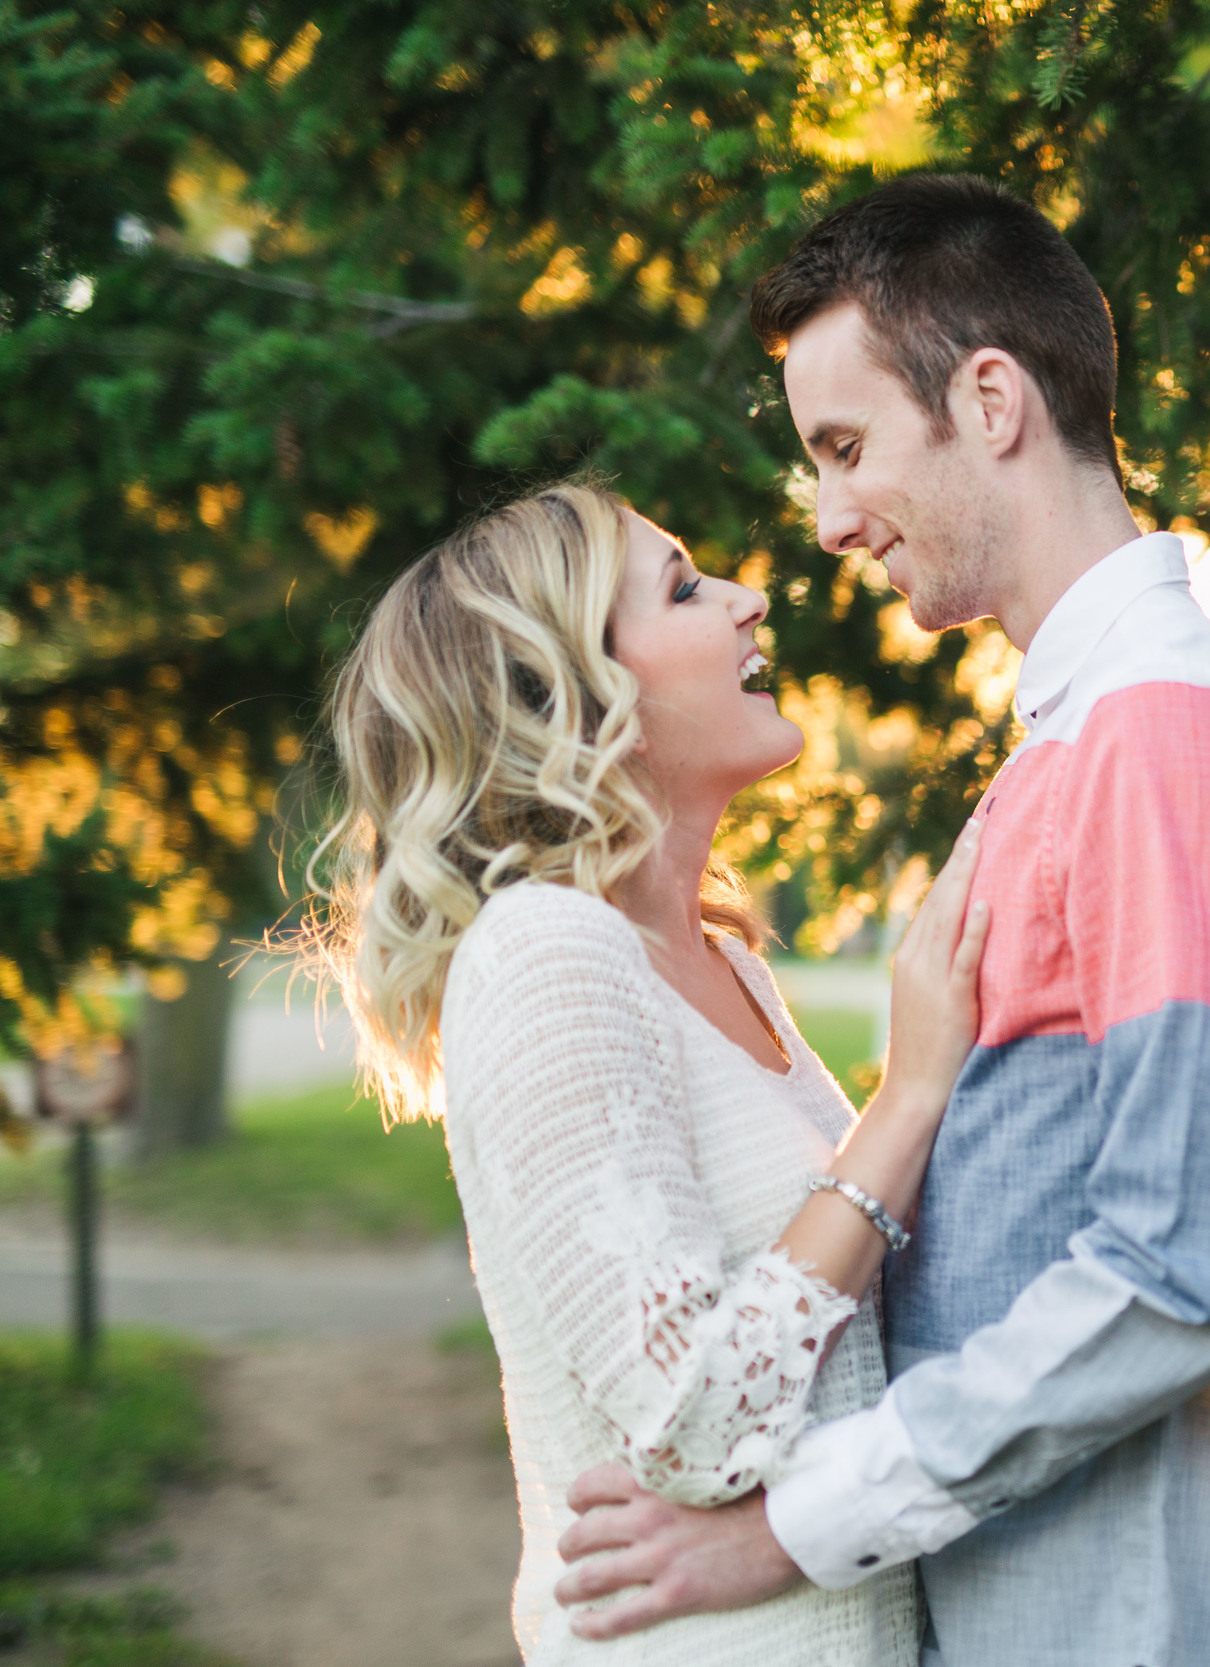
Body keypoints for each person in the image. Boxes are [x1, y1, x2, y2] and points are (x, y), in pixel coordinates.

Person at [551, 176, 1210, 1667]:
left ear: (991, 398)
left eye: (847, 448)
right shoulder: (1077, 740)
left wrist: (784, 1527)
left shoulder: (1166, 727)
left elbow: (1195, 1253)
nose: (826, 520)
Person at [304, 482, 993, 1663]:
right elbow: (693, 1417)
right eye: (681, 589)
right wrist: (909, 1093)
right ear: (569, 695)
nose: (749, 597)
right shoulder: (541, 952)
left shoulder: (724, 963)